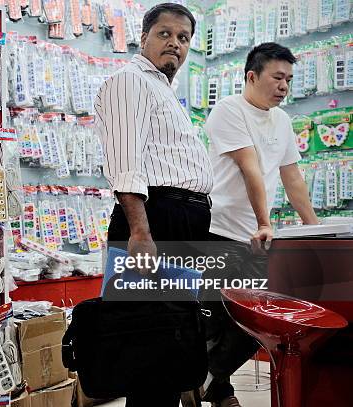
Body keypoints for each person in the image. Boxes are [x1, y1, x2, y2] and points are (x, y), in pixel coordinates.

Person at [94, 3, 213, 406]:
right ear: (143, 38)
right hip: (154, 221)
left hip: (176, 220)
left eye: (183, 38)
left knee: (171, 341)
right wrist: (141, 231)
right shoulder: (131, 81)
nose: (175, 44)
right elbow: (125, 163)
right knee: (150, 344)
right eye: (165, 34)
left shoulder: (161, 89)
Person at [199, 43, 319, 407]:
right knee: (218, 320)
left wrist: (314, 228)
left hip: (258, 239)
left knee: (258, 323)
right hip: (220, 232)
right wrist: (264, 221)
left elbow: (292, 176)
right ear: (252, 76)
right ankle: (218, 389)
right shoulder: (228, 110)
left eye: (289, 79)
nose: (284, 86)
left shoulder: (282, 120)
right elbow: (249, 167)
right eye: (277, 77)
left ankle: (207, 380)